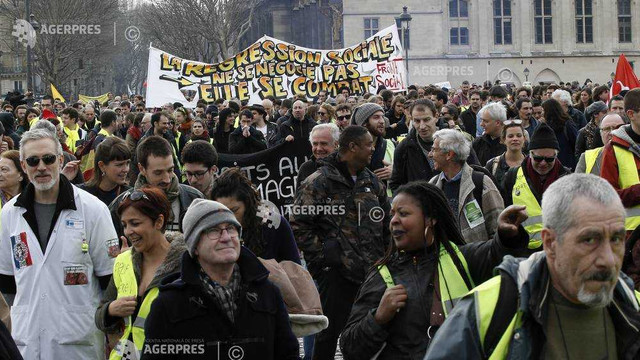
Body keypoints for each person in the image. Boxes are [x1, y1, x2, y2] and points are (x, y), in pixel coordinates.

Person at [424, 174, 640, 360]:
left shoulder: (633, 306)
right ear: (550, 243)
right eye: (589, 240)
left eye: (616, 239)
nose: (608, 260)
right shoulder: (489, 308)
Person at [340, 182, 531, 360]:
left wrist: (507, 236)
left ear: (430, 219)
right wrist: (378, 318)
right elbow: (349, 348)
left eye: (403, 214)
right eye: (393, 214)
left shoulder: (462, 259)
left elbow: (499, 254)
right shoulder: (382, 275)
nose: (394, 221)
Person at [0, 128, 118, 359]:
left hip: (78, 342)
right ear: (24, 167)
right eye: (33, 161)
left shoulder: (93, 210)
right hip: (28, 340)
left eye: (49, 159)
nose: (41, 167)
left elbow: (109, 280)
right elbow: (6, 283)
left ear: (61, 160)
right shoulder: (8, 214)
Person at [141, 199, 300, 359]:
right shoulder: (169, 304)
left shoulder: (267, 292)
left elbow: (288, 354)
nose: (226, 237)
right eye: (214, 231)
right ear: (194, 246)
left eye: (231, 229)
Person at [290, 125, 390, 360]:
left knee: (369, 333)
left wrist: (387, 257)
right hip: (336, 277)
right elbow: (298, 223)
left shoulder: (371, 181)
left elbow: (388, 221)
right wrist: (324, 256)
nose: (372, 149)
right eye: (368, 145)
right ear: (352, 147)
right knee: (328, 336)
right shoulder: (319, 182)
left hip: (371, 274)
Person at [96, 187, 187, 360]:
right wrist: (111, 310)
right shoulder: (123, 261)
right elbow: (100, 315)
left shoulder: (186, 264)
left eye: (135, 223)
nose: (128, 231)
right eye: (124, 225)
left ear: (159, 222)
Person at [110, 136, 203, 236]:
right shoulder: (120, 206)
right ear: (142, 169)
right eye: (158, 173)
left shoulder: (194, 199)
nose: (167, 179)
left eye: (170, 170)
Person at [502, 123, 572, 248]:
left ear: (556, 156)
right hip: (523, 252)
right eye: (538, 158)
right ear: (530, 154)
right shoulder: (512, 176)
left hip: (559, 249)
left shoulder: (568, 179)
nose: (543, 163)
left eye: (549, 159)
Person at [429, 129, 504, 243]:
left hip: (476, 258)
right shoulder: (433, 185)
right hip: (445, 258)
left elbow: (498, 227)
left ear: (449, 154)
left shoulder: (481, 182)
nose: (430, 155)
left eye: (434, 150)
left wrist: (487, 256)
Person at [212, 168, 300, 263]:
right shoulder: (213, 232)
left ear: (247, 204)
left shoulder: (272, 222)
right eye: (223, 212)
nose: (228, 217)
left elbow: (296, 269)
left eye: (234, 210)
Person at [80, 137, 131, 206]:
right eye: (119, 165)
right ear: (102, 166)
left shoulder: (129, 195)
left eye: (127, 163)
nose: (126, 169)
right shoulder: (83, 194)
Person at [485, 121, 526, 192]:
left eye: (519, 135)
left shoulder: (531, 164)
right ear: (503, 139)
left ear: (524, 139)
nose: (515, 139)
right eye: (510, 136)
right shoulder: (492, 165)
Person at [297, 123, 340, 188]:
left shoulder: (347, 165)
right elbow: (299, 196)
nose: (319, 148)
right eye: (315, 144)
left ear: (336, 144)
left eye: (323, 143)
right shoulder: (306, 168)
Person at [542, 98, 579, 170]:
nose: (542, 113)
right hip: (553, 164)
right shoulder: (545, 126)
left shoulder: (567, 124)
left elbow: (576, 143)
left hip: (567, 164)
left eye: (543, 110)